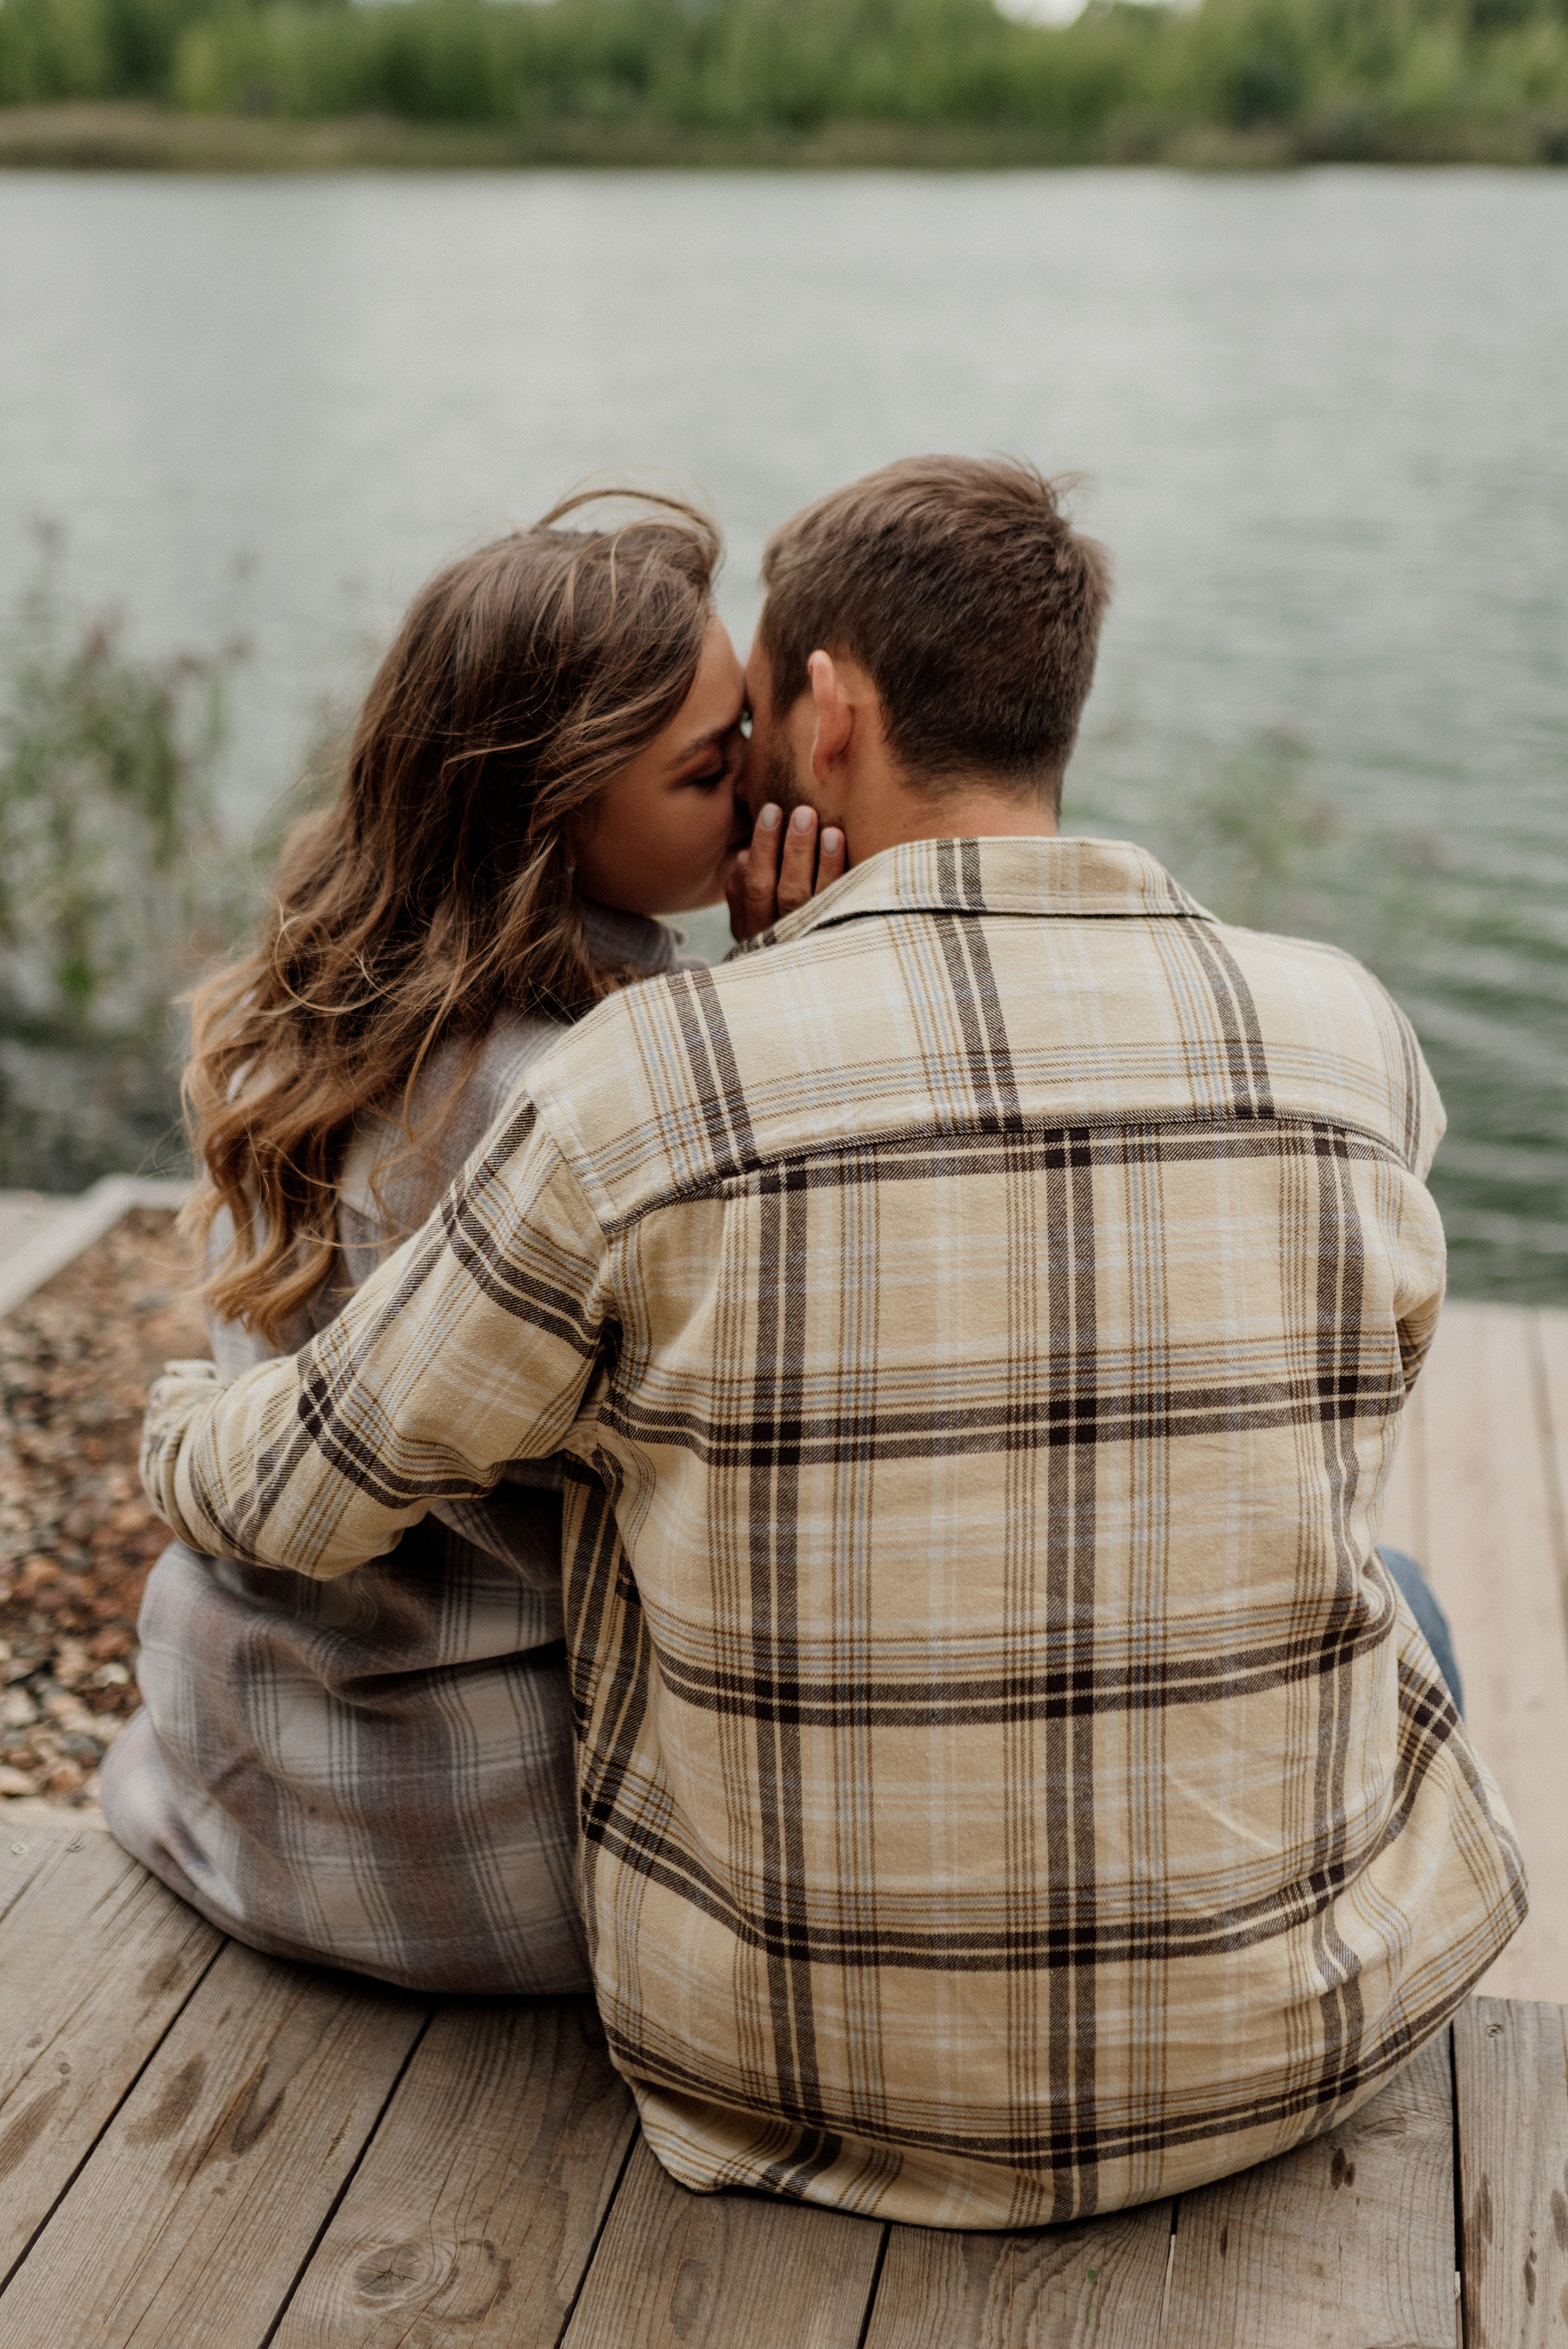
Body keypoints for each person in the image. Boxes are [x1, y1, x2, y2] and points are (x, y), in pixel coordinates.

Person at [139, 456, 1525, 2228]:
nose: (752, 788)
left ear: (836, 709)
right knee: (1403, 1601)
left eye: (754, 735)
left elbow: (312, 1480)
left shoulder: (643, 1085)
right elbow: (1336, 1431)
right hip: (1309, 2048)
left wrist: (186, 1402)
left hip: (787, 2085)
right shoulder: (1350, 1034)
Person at [102, 490, 752, 1994]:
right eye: (712, 766)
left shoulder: (294, 1006)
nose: (761, 782)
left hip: (243, 1778)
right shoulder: (594, 1093)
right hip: (490, 1854)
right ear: (556, 802)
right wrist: (789, 982)